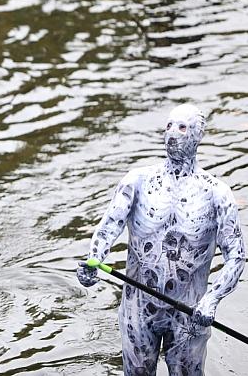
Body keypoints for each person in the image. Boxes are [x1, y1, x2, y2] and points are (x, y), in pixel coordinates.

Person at [77, 104, 245, 375]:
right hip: (138, 306)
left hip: (190, 310)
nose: (172, 135)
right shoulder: (138, 181)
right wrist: (93, 260)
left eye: (182, 128)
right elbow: (109, 226)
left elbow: (236, 257)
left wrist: (211, 300)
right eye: (168, 126)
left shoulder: (217, 194)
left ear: (198, 135)